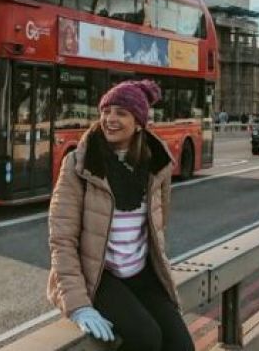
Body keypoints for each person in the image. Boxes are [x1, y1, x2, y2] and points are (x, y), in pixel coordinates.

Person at [47, 80, 194, 351]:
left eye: (121, 113)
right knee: (146, 338)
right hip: (101, 276)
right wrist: (78, 306)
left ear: (139, 123)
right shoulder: (79, 164)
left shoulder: (155, 163)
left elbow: (158, 227)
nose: (110, 119)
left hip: (141, 272)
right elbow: (61, 240)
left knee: (182, 346)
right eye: (106, 111)